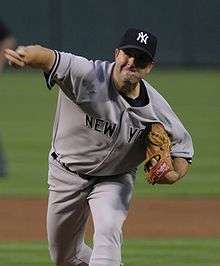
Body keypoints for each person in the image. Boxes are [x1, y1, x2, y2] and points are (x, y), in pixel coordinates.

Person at [4, 28, 194, 266]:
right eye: (128, 54)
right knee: (64, 257)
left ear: (150, 66)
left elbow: (183, 149)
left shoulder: (156, 108)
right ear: (116, 53)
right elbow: (48, 56)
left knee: (107, 230)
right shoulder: (87, 75)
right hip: (66, 173)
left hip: (115, 179)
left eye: (141, 58)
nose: (132, 62)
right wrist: (25, 55)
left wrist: (173, 174)